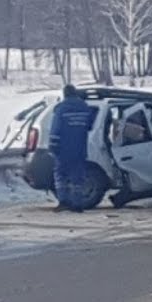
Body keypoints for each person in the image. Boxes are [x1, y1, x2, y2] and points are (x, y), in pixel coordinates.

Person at [48, 84, 97, 212]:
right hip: (80, 148)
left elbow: (55, 129)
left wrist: (53, 146)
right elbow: (90, 125)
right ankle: (77, 204)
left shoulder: (61, 109)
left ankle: (63, 202)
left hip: (63, 149)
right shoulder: (85, 108)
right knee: (78, 177)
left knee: (60, 175)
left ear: (65, 94)